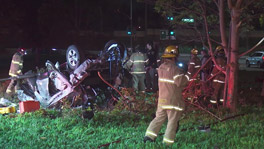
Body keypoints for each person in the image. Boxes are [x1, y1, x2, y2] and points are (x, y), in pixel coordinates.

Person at [144, 45, 189, 145]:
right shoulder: (175, 69)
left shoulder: (161, 68)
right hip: (173, 101)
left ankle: (149, 136)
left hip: (162, 100)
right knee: (172, 121)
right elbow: (180, 82)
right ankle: (167, 143)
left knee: (158, 118)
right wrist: (187, 76)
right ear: (174, 57)